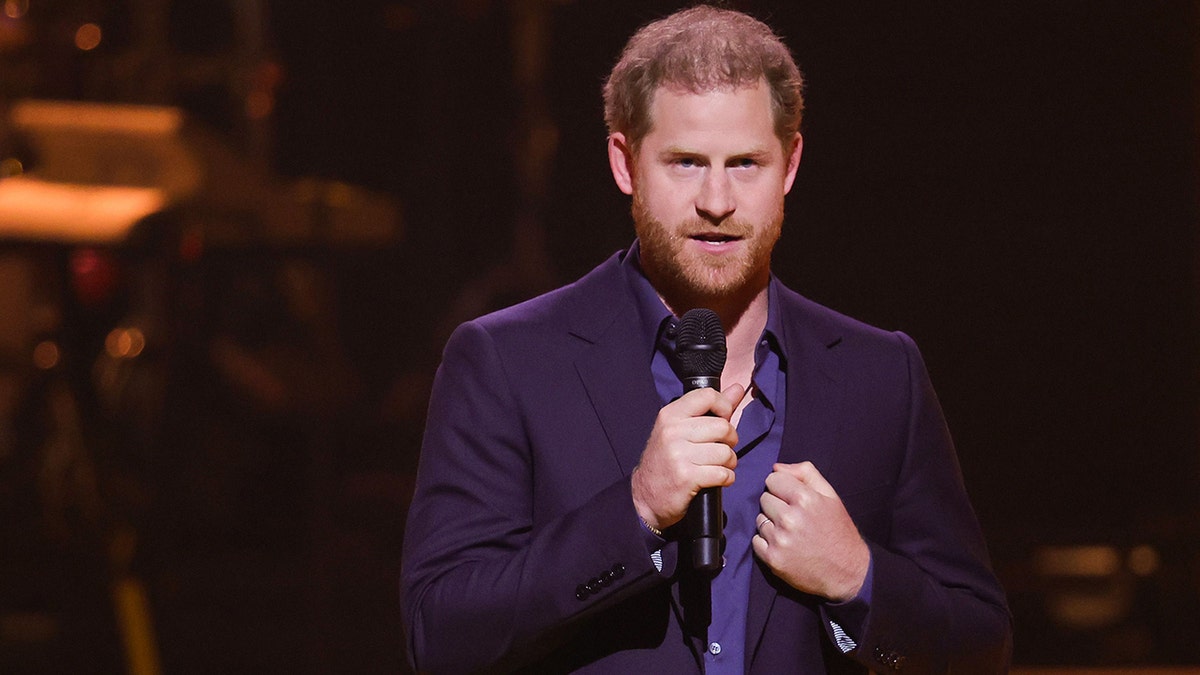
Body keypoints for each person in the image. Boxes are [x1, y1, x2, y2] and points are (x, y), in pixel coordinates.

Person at [401, 5, 1012, 673]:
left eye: (745, 163)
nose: (716, 199)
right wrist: (632, 511)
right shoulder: (507, 361)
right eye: (686, 162)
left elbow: (982, 648)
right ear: (625, 162)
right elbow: (440, 634)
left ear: (790, 165)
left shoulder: (880, 373)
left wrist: (859, 577)